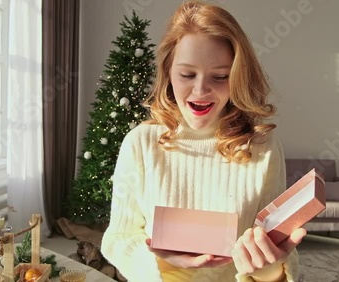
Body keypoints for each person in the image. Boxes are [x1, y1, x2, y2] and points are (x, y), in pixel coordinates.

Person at [101, 1, 306, 281]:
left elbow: (275, 250)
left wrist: (268, 269)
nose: (201, 90)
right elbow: (118, 238)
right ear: (168, 71)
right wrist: (158, 261)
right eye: (187, 74)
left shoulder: (262, 146)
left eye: (220, 76)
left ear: (238, 76)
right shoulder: (141, 143)